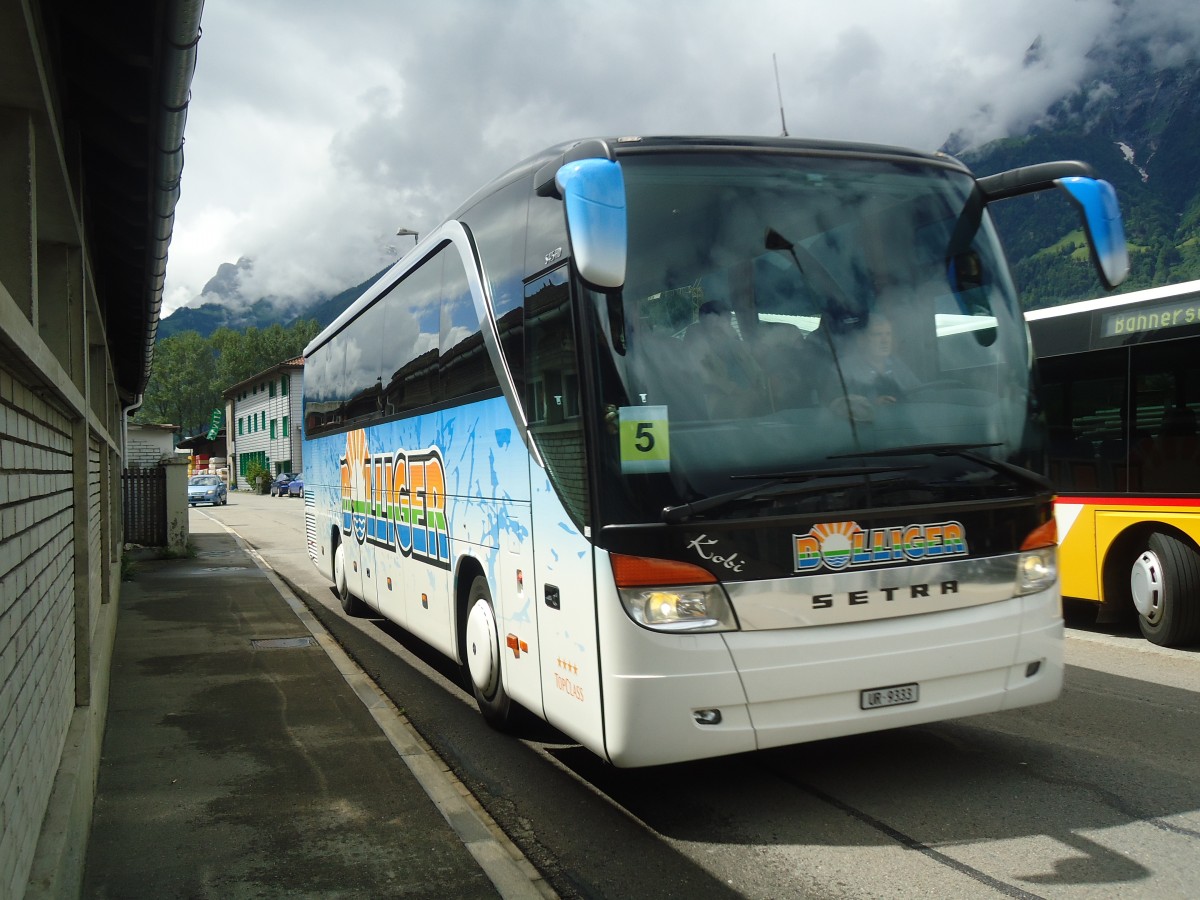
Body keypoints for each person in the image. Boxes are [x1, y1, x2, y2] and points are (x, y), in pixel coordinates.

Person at [684, 300, 770, 417]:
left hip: (752, 401)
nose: (721, 326)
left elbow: (756, 372)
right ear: (704, 324)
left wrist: (763, 389)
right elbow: (706, 377)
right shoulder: (698, 348)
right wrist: (737, 391)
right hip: (720, 405)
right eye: (715, 322)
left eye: (725, 321)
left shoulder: (736, 345)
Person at [837, 314, 920, 406]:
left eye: (888, 334)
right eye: (878, 334)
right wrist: (872, 404)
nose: (885, 340)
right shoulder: (845, 369)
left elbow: (920, 392)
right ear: (862, 340)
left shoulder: (897, 365)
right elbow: (835, 404)